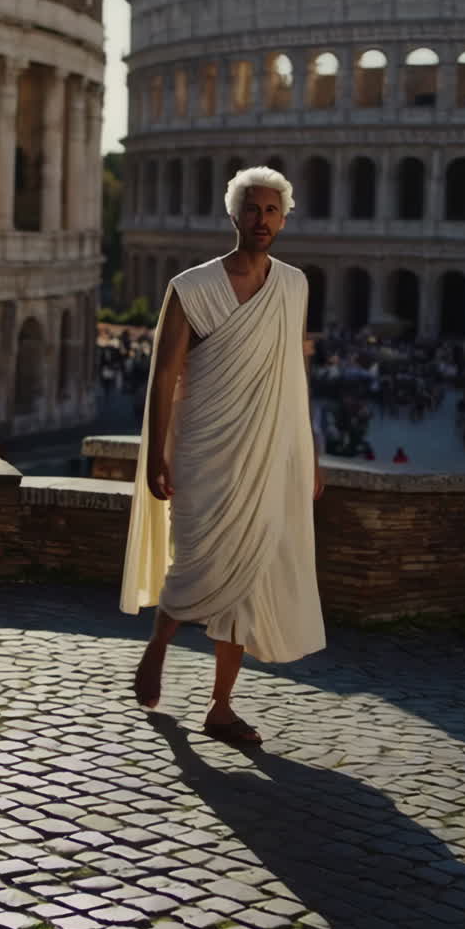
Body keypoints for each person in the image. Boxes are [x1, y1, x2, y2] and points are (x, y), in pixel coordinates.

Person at [121, 166, 325, 745]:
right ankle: (158, 645)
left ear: (284, 218)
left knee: (249, 576)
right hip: (204, 443)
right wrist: (156, 452)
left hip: (268, 449)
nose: (261, 220)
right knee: (195, 562)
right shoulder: (190, 286)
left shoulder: (294, 285)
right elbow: (164, 377)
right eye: (252, 209)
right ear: (232, 215)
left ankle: (221, 706)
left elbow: (294, 373)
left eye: (271, 211)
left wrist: (308, 451)